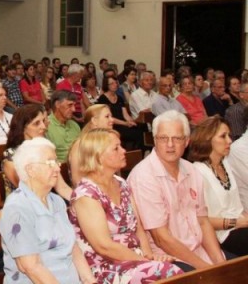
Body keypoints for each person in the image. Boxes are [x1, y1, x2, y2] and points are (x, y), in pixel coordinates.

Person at [70, 129, 183, 283]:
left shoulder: (121, 183)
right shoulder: (86, 195)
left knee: (181, 270)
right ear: (97, 156)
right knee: (171, 272)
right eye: (116, 148)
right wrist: (146, 262)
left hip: (135, 260)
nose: (124, 151)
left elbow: (138, 227)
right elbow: (104, 246)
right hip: (106, 266)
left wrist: (148, 255)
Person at [128, 110, 226, 270]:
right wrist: (206, 270)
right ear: (154, 140)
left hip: (199, 250)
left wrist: (221, 265)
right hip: (170, 259)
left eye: (177, 138)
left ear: (187, 141)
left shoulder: (191, 170)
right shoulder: (144, 176)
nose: (170, 145)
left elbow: (203, 221)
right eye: (163, 138)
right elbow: (161, 239)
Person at [0, 138, 96, 284]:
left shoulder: (56, 201)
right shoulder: (17, 207)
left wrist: (90, 281)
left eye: (56, 162)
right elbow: (32, 267)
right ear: (30, 170)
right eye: (50, 163)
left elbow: (73, 248)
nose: (58, 168)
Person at [189, 116, 248, 257]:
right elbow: (197, 220)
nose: (229, 141)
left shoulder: (225, 163)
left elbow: (236, 205)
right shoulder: (197, 171)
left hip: (239, 225)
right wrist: (234, 222)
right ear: (207, 139)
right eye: (223, 136)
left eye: (229, 135)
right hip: (220, 234)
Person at [67, 104, 114, 185]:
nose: (112, 120)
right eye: (107, 116)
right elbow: (77, 180)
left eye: (111, 116)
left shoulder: (110, 142)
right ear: (94, 121)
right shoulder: (80, 145)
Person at [97, 75, 143, 151]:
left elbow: (125, 114)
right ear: (106, 85)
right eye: (112, 83)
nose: (115, 85)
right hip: (112, 125)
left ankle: (136, 153)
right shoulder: (102, 99)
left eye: (116, 82)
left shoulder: (119, 97)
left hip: (123, 123)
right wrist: (125, 123)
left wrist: (131, 121)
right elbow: (109, 117)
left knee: (140, 128)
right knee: (136, 134)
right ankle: (133, 154)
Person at [45, 90, 81, 163]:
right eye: (70, 105)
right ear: (57, 104)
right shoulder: (45, 125)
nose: (74, 109)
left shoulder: (74, 125)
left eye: (74, 105)